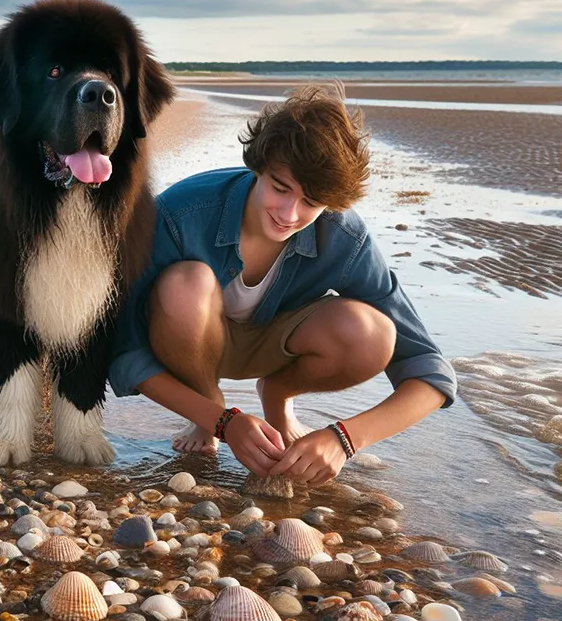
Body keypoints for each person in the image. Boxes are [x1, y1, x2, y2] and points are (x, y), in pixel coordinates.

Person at [108, 85, 456, 485]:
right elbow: (126, 352)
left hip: (274, 348)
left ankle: (278, 393)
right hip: (185, 337)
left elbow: (430, 371)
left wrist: (344, 439)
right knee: (186, 284)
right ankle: (206, 402)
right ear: (260, 167)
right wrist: (221, 421)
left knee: (372, 333)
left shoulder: (344, 237)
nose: (290, 214)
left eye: (312, 201)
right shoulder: (181, 212)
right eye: (280, 187)